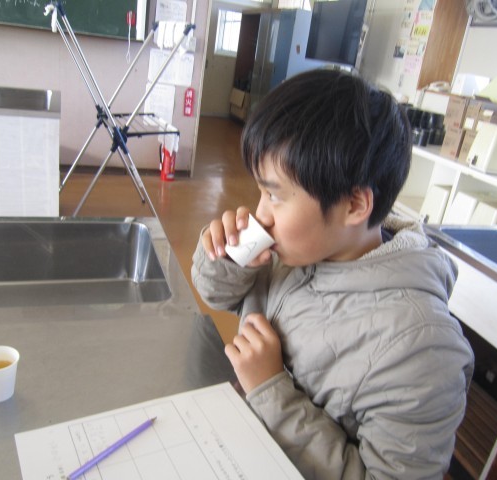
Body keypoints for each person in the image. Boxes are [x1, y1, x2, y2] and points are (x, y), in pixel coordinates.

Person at [191, 68, 474, 479]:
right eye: (261, 191)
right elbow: (214, 294)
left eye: (274, 195)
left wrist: (271, 390)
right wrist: (225, 258)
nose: (261, 214)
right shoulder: (297, 248)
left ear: (354, 205)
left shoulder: (422, 351)